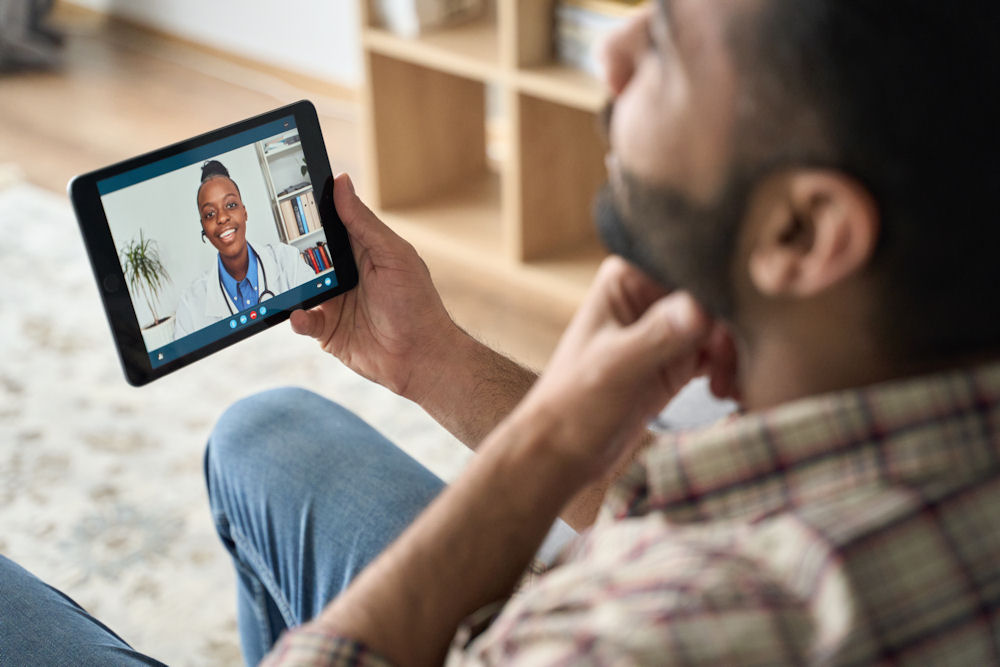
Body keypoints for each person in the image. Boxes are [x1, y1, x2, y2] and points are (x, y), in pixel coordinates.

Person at [1, 0, 998, 664]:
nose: (608, 47)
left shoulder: (654, 631)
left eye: (667, 47)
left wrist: (544, 446)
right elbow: (729, 495)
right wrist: (425, 356)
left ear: (803, 231)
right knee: (265, 434)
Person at [172, 160, 316, 339]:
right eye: (210, 214)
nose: (222, 218)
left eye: (231, 205)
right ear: (204, 229)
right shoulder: (190, 306)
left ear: (244, 212)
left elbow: (319, 322)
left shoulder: (288, 261)